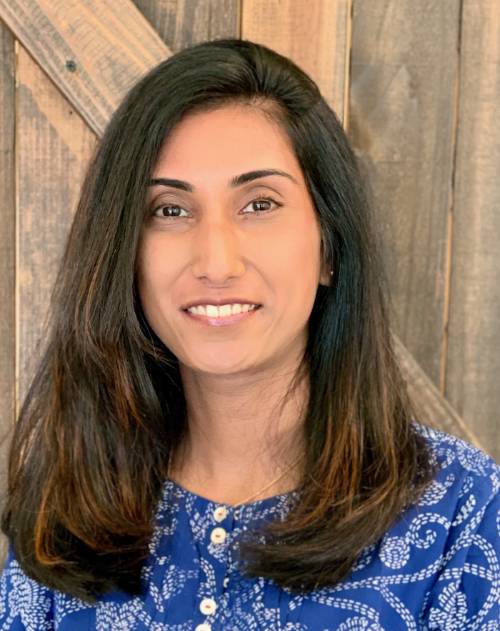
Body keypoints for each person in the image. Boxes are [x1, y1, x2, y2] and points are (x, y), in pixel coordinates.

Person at [0, 38, 498, 630]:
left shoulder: (459, 514)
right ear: (125, 254)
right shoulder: (69, 516)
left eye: (259, 204)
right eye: (170, 210)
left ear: (329, 248)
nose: (215, 261)